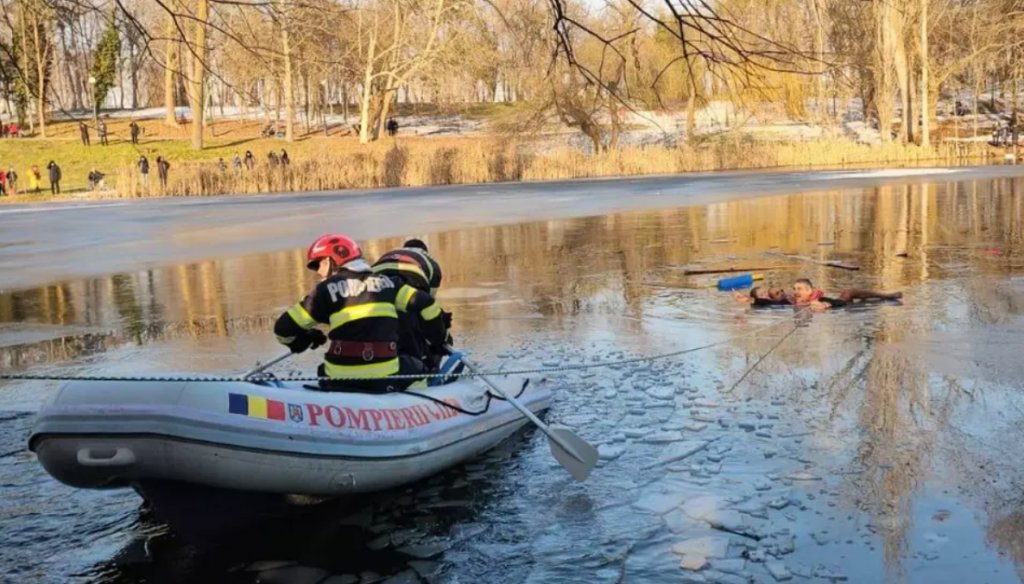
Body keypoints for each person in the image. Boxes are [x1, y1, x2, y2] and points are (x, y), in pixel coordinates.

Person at [273, 233, 446, 393]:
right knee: (418, 367)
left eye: (320, 264)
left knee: (325, 367)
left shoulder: (324, 292)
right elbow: (428, 306)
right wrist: (438, 341)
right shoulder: (390, 284)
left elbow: (282, 330)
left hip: (337, 380)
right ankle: (424, 403)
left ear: (334, 260)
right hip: (384, 379)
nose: (318, 271)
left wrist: (304, 339)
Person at [371, 239, 450, 370]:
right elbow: (429, 305)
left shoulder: (392, 253)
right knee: (416, 318)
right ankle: (425, 365)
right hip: (413, 277)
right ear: (425, 250)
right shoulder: (432, 263)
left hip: (376, 279)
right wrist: (438, 337)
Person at [791, 278, 902, 311]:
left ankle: (886, 296)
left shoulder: (816, 301)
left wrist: (824, 306)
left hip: (841, 303)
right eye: (794, 289)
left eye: (799, 289)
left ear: (809, 291)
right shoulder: (793, 299)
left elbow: (825, 305)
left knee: (849, 292)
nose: (796, 292)